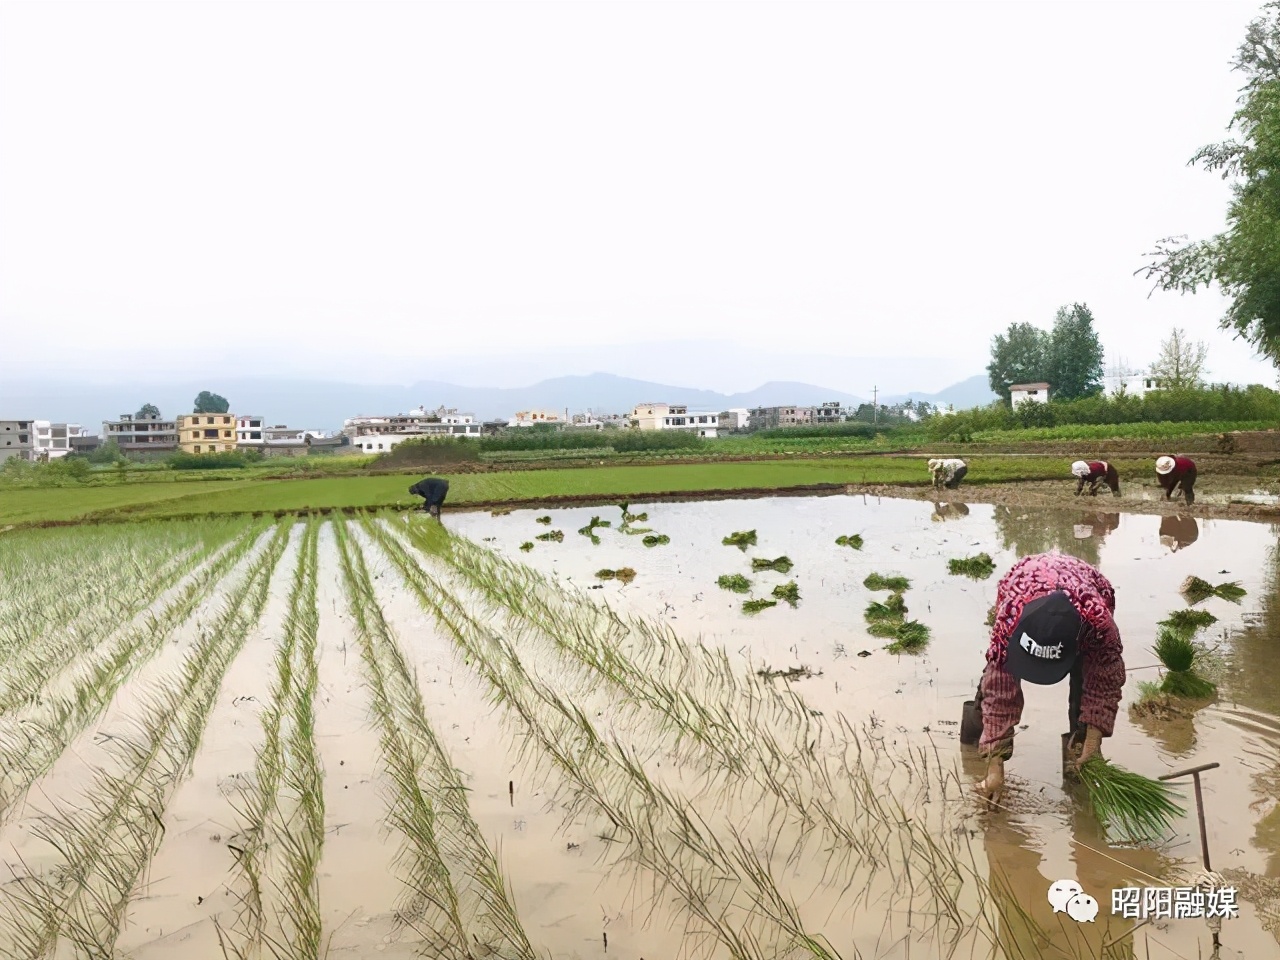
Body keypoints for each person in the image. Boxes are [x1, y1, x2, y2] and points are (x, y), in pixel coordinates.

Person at [967, 552, 1126, 807]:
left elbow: (1104, 683)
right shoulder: (1010, 617)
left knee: (1085, 688)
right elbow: (1000, 693)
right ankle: (974, 745)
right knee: (992, 685)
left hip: (1088, 592)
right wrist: (994, 769)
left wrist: (1094, 740)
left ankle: (1081, 766)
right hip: (1025, 577)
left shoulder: (1099, 624)